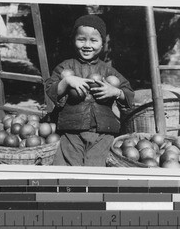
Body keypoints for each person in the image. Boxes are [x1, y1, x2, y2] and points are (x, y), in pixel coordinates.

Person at [45, 14, 134, 167]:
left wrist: (115, 92)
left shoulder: (108, 70)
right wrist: (66, 81)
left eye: (93, 40)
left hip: (103, 133)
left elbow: (128, 93)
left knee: (95, 166)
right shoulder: (65, 67)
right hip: (72, 130)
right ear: (74, 40)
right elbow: (50, 88)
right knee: (67, 166)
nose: (87, 45)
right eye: (81, 39)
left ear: (102, 44)